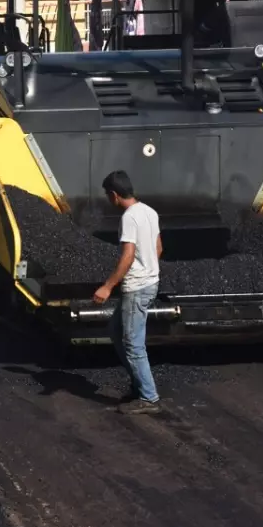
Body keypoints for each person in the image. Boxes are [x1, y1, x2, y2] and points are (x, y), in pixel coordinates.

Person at [93, 170, 163, 414]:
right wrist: (149, 270)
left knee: (133, 344)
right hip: (148, 283)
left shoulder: (129, 217)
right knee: (115, 330)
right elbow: (158, 248)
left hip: (137, 287)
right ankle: (139, 383)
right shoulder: (150, 212)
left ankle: (149, 397)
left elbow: (128, 255)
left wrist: (107, 286)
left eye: (106, 195)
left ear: (114, 195)